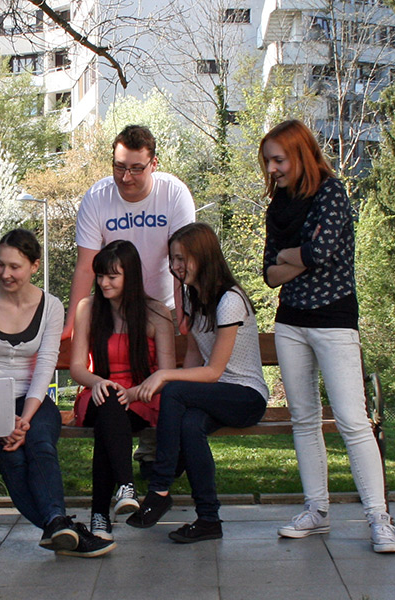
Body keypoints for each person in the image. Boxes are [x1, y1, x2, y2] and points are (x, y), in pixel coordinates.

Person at [260, 120, 395, 553]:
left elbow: (320, 254)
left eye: (278, 159)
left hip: (335, 321)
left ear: (300, 155)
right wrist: (296, 256)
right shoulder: (277, 206)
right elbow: (269, 274)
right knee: (303, 420)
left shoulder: (331, 193)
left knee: (352, 421)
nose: (272, 169)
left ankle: (379, 518)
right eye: (267, 161)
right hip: (290, 321)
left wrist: (296, 257)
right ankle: (316, 511)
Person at [0, 229, 115, 558]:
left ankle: (57, 526)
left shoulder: (52, 306)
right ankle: (61, 525)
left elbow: (45, 366)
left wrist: (24, 419)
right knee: (13, 460)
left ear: (34, 266)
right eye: (0, 265)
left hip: (33, 399)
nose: (5, 274)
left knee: (41, 445)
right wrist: (2, 419)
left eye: (15, 266)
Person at [62, 124, 195, 476]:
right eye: (119, 166)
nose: (126, 176)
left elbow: (183, 261)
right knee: (113, 382)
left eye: (136, 168)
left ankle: (153, 454)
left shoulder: (174, 194)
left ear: (154, 164)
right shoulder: (98, 197)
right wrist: (71, 320)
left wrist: (184, 315)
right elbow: (87, 265)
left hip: (160, 304)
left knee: (154, 375)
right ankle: (127, 472)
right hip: (111, 305)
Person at [126, 223, 268, 543]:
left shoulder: (230, 300)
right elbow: (193, 355)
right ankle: (208, 519)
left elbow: (215, 371)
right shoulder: (192, 297)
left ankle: (159, 488)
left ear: (203, 256)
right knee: (190, 424)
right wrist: (175, 383)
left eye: (182, 259)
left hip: (245, 396)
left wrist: (165, 376)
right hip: (216, 394)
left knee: (174, 390)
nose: (176, 267)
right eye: (172, 259)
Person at [69, 240, 176, 541]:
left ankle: (100, 517)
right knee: (109, 404)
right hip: (98, 391)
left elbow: (164, 373)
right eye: (100, 275)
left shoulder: (155, 313)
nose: (103, 282)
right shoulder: (87, 308)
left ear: (130, 276)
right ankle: (126, 486)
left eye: (112, 276)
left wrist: (134, 392)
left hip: (142, 397)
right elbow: (78, 368)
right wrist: (98, 382)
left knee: (109, 425)